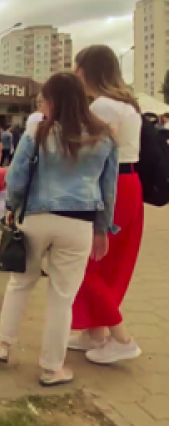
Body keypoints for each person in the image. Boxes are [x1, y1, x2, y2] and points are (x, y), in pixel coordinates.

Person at [0, 72, 118, 386]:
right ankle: (52, 367)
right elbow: (108, 188)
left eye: (44, 99)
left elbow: (16, 178)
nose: (41, 106)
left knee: (20, 283)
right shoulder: (106, 135)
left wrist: (11, 210)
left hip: (36, 217)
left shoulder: (38, 132)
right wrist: (103, 229)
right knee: (62, 297)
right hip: (80, 222)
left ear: (54, 100)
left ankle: (4, 345)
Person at [71, 44, 144, 364]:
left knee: (83, 262)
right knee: (110, 262)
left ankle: (121, 337)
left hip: (108, 185)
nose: (75, 73)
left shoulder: (102, 107)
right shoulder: (128, 105)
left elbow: (87, 156)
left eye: (77, 67)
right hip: (129, 183)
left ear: (89, 69)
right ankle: (96, 332)